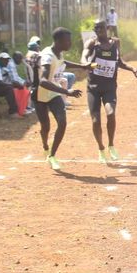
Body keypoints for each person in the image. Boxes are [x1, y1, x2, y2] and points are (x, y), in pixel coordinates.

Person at [82, 19, 137, 163]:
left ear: (107, 28)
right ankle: (101, 149)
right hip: (93, 88)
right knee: (96, 120)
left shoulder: (115, 43)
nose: (99, 31)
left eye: (101, 28)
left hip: (109, 87)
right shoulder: (92, 44)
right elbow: (84, 56)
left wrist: (133, 69)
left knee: (110, 114)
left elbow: (119, 62)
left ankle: (111, 145)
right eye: (96, 29)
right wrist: (86, 63)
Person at [37, 27, 88, 170]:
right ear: (59, 41)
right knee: (45, 127)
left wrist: (83, 66)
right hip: (40, 94)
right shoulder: (47, 56)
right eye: (68, 41)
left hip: (54, 94)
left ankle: (52, 155)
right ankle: (45, 145)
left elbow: (64, 63)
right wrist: (66, 91)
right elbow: (43, 81)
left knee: (62, 122)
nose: (70, 43)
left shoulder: (58, 53)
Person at [7, 52, 32, 116]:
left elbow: (16, 77)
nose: (21, 61)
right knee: (23, 89)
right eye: (20, 59)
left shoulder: (13, 64)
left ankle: (24, 108)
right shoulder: (11, 65)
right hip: (7, 83)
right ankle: (21, 109)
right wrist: (23, 83)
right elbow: (13, 79)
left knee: (25, 86)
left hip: (10, 83)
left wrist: (24, 82)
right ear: (15, 58)